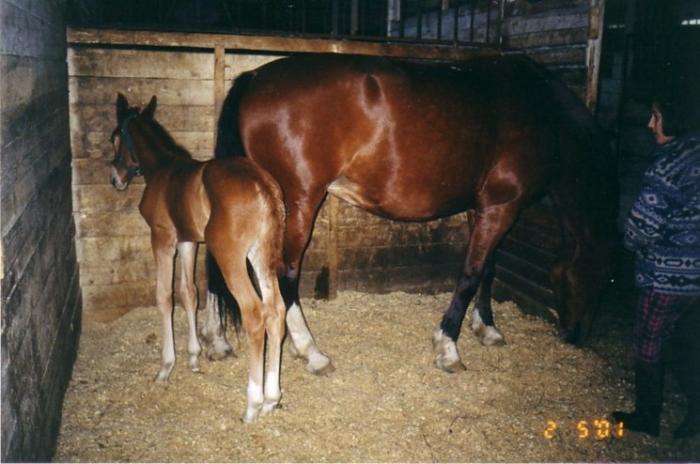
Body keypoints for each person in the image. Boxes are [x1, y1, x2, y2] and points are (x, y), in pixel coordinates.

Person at [612, 92, 700, 439]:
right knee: (685, 340)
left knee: (649, 343)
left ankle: (647, 417)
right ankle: (695, 416)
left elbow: (642, 227)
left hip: (666, 275)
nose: (651, 124)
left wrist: (627, 241)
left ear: (672, 118)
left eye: (656, 116)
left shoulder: (666, 166)